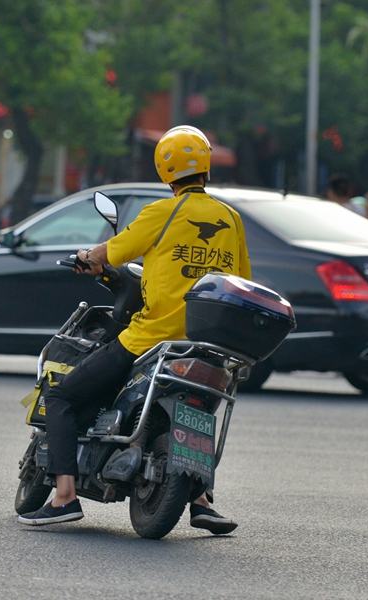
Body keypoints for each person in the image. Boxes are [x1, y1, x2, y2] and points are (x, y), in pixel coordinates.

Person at [19, 126, 251, 534]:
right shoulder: (230, 219)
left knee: (62, 396)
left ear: (166, 168)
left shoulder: (162, 213)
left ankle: (64, 496)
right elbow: (240, 281)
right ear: (206, 165)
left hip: (151, 339)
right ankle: (200, 501)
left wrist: (85, 256)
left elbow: (115, 250)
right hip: (206, 347)